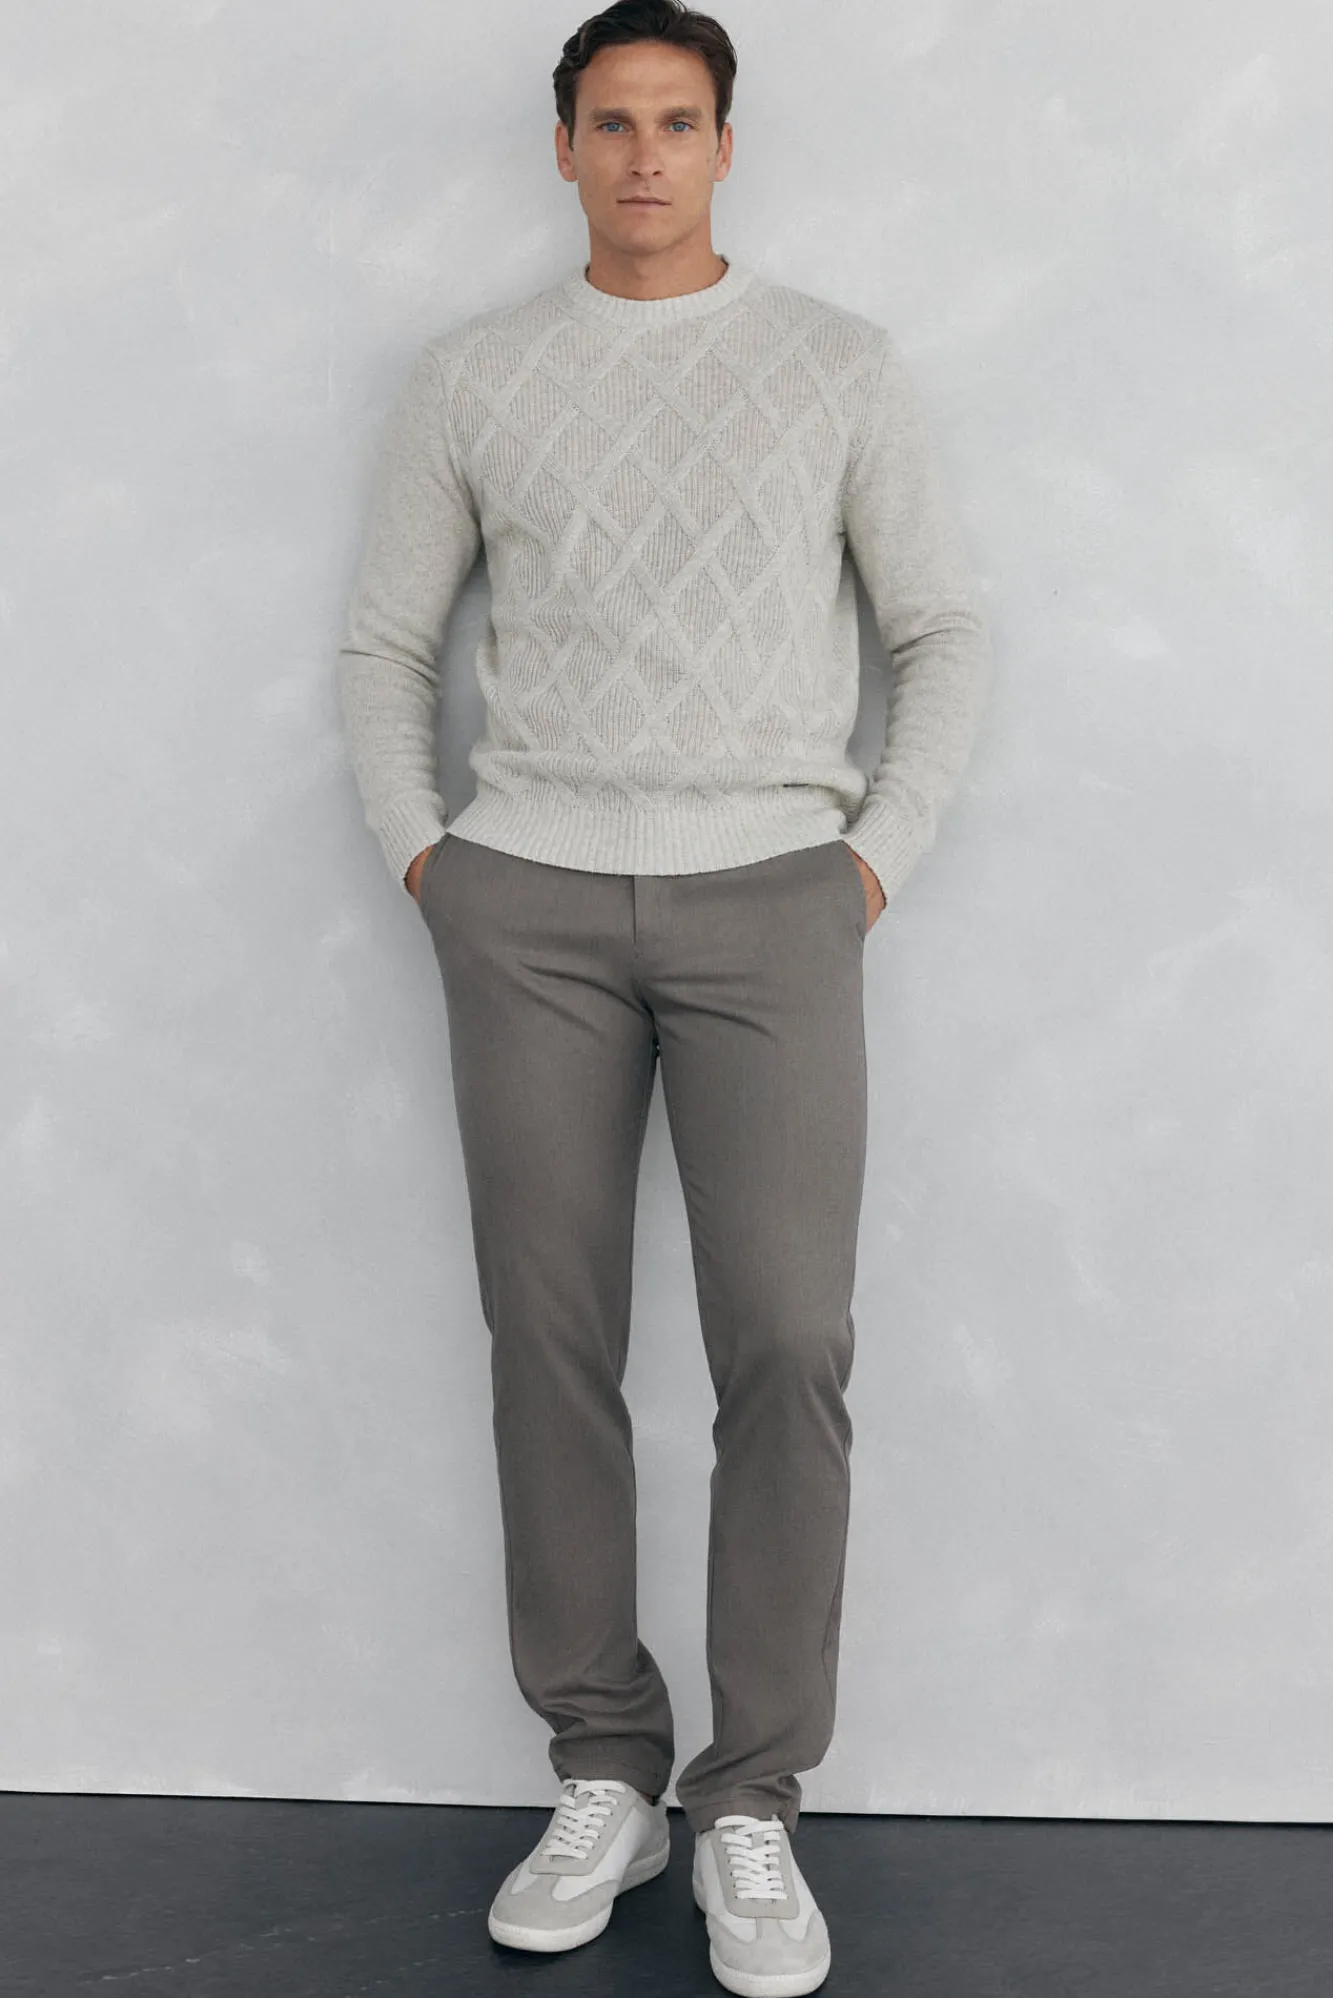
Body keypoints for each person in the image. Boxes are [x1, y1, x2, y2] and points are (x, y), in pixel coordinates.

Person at [336, 2, 991, 1990]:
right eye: (610, 123)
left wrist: (865, 864)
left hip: (774, 902)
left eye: (677, 122)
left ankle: (753, 1797)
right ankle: (604, 1766)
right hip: (524, 903)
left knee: (787, 1339)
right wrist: (435, 863)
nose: (643, 155)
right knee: (551, 1340)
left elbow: (944, 631)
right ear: (563, 148)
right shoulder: (473, 377)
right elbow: (384, 645)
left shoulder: (838, 366)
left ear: (724, 145)